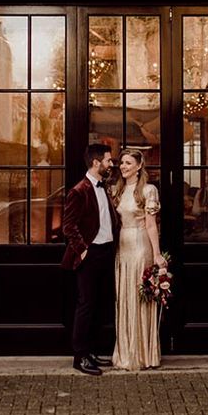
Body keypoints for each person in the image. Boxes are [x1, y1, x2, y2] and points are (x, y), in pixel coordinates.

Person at [61, 143, 120, 376]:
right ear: (96, 163)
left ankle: (91, 351)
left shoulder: (103, 186)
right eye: (108, 160)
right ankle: (80, 357)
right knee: (86, 305)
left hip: (106, 251)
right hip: (90, 254)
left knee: (98, 305)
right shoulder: (79, 190)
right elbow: (68, 226)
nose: (111, 164)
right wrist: (83, 250)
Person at [110, 148, 166, 370]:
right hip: (122, 247)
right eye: (121, 162)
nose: (123, 166)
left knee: (140, 297)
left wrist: (158, 254)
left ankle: (144, 354)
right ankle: (126, 351)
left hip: (140, 245)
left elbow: (152, 225)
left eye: (128, 163)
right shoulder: (118, 190)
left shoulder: (149, 190)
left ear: (139, 166)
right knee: (124, 296)